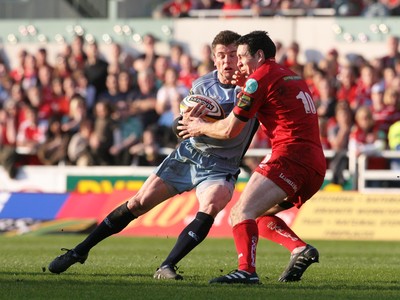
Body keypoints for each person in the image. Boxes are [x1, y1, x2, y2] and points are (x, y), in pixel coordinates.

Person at [47, 30, 258, 280]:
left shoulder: (251, 88)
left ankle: (167, 265)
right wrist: (184, 122)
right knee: (138, 203)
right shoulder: (202, 84)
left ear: (241, 57)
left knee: (212, 204)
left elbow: (237, 130)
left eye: (233, 55)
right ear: (214, 59)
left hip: (221, 164)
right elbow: (179, 127)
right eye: (221, 55)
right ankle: (80, 250)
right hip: (189, 155)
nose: (227, 61)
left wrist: (205, 126)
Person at [179, 30, 326, 284]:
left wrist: (198, 126)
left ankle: (246, 270)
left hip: (289, 158)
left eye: (242, 57)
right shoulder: (291, 76)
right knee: (259, 215)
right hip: (315, 165)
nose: (239, 64)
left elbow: (228, 130)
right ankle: (299, 249)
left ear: (259, 55)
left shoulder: (259, 79)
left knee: (240, 212)